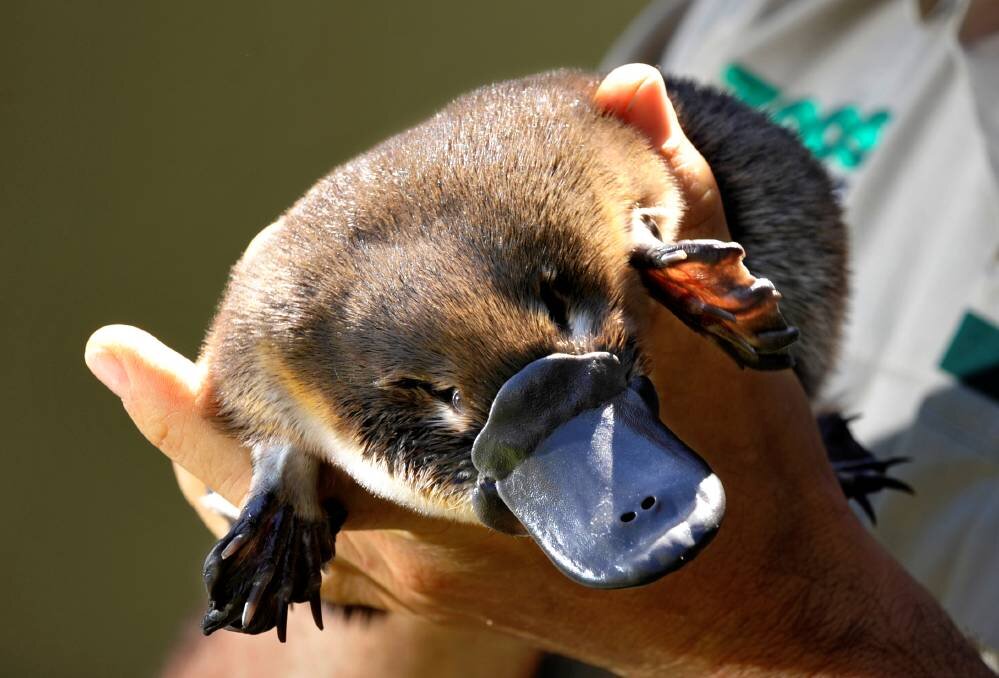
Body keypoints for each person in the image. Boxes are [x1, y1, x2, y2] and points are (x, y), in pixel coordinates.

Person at [86, 54, 994, 674]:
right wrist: (303, 503)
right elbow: (254, 390)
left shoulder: (563, 174)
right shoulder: (764, 10)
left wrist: (768, 611)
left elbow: (611, 154)